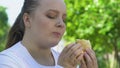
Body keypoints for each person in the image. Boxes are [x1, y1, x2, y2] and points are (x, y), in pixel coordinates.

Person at [0, 0, 98, 68]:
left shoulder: (66, 61)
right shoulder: (7, 61)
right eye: (51, 16)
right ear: (27, 20)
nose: (61, 24)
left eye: (64, 19)